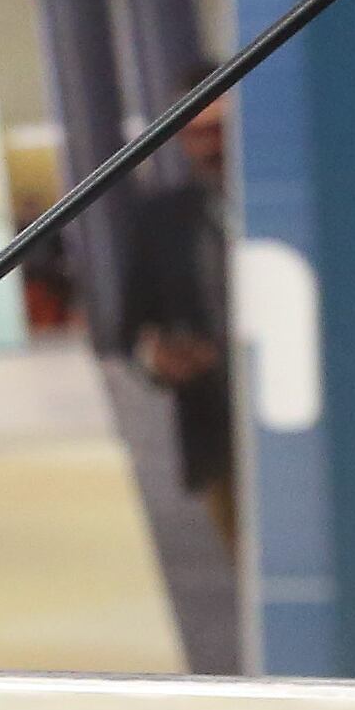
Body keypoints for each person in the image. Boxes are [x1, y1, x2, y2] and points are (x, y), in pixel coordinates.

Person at [115, 103, 239, 552]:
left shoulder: (304, 206)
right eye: (196, 134)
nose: (210, 146)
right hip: (219, 437)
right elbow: (130, 329)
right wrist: (159, 358)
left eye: (220, 130)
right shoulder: (162, 220)